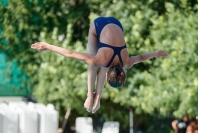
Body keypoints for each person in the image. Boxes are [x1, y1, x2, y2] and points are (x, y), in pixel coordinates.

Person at [31, 16, 168, 113]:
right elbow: (71, 53)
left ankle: (96, 96)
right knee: (94, 64)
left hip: (116, 23)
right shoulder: (101, 60)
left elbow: (141, 57)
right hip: (97, 25)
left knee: (100, 62)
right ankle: (91, 95)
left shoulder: (127, 62)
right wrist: (48, 46)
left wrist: (156, 53)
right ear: (108, 74)